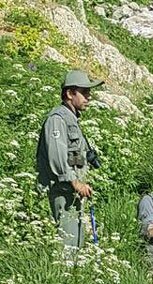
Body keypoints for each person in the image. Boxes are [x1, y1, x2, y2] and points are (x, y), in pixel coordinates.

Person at [36, 69, 103, 250]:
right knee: (68, 248)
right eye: (85, 92)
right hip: (62, 192)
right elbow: (56, 157)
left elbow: (72, 155)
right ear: (69, 93)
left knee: (76, 246)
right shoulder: (57, 119)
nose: (89, 97)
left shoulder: (71, 119)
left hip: (73, 194)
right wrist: (76, 183)